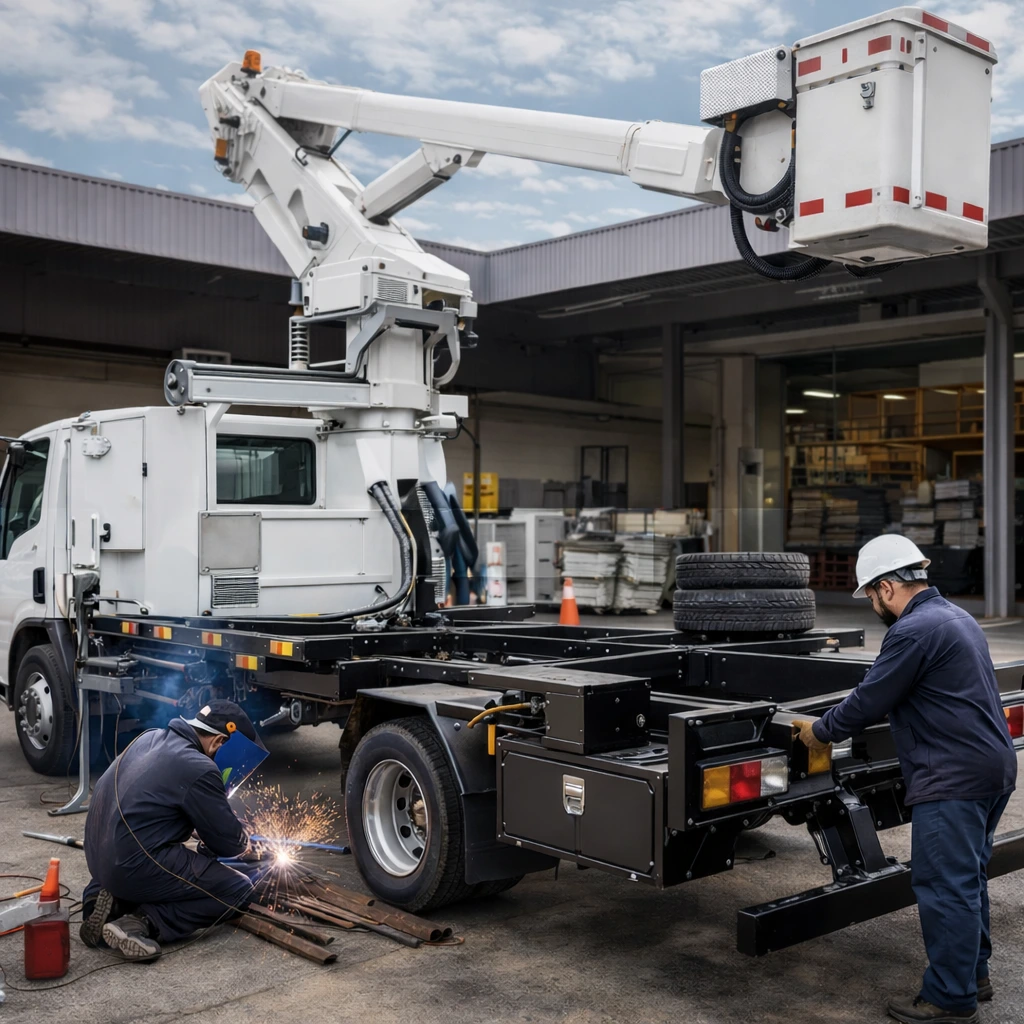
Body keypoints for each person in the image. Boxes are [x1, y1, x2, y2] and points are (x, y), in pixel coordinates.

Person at [797, 535, 1017, 1024]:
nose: (874, 605)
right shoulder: (957, 617)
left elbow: (871, 698)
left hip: (953, 778)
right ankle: (971, 976)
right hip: (990, 769)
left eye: (872, 595)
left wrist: (820, 731)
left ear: (889, 586)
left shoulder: (915, 629)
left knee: (944, 885)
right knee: (967, 877)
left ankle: (949, 1000)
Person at [79, 701, 265, 961]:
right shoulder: (200, 767)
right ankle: (141, 922)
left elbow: (150, 808)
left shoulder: (150, 737)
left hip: (98, 857)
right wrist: (245, 842)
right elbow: (229, 844)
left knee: (130, 845)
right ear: (219, 741)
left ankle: (99, 901)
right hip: (129, 865)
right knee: (239, 889)